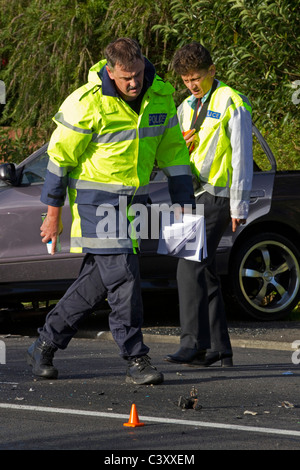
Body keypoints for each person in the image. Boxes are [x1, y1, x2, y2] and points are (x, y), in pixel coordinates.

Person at [26, 38, 195, 385]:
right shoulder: (86, 103)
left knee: (96, 282)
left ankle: (45, 343)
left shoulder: (160, 95)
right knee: (124, 274)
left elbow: (174, 152)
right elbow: (59, 160)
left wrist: (184, 202)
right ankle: (136, 357)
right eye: (124, 78)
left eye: (137, 74)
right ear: (109, 71)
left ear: (143, 64)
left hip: (134, 203)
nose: (133, 83)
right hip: (96, 200)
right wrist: (53, 213)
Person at [165, 42, 253, 367]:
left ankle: (193, 344)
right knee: (205, 269)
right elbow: (176, 156)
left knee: (187, 264)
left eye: (196, 78)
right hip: (191, 196)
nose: (192, 85)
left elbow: (243, 157)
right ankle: (219, 347)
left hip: (219, 194)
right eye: (186, 79)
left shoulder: (232, 101)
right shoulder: (185, 107)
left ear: (212, 71)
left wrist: (239, 207)